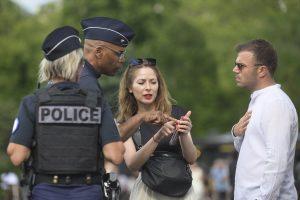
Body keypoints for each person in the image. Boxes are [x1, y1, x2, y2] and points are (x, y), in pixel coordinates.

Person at [7, 26, 124, 200]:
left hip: (45, 192)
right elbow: (115, 154)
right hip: (88, 191)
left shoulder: (33, 103)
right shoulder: (97, 102)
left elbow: (17, 156)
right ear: (77, 65)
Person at [117, 58, 198, 200]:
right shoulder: (127, 122)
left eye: (153, 82)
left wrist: (184, 133)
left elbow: (191, 158)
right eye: (141, 83)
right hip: (148, 191)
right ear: (129, 87)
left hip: (182, 190)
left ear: (159, 85)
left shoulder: (177, 112)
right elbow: (132, 164)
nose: (148, 87)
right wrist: (157, 137)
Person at [231, 39, 298, 199]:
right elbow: (252, 154)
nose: (235, 70)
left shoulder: (275, 103)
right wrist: (236, 133)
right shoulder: (259, 100)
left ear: (262, 70)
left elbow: (277, 161)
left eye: (241, 66)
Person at [79, 17, 135, 175]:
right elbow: (113, 149)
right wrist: (142, 117)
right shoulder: (88, 86)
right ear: (98, 52)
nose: (122, 60)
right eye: (119, 53)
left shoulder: (73, 75)